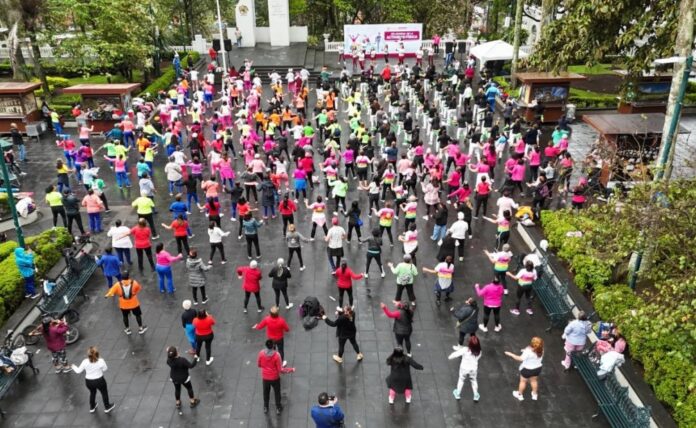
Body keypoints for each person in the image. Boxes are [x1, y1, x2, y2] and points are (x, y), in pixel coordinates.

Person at [71, 347, 116, 413]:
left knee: (92, 392)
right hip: (100, 381)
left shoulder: (85, 362)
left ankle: (92, 407)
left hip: (89, 381)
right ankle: (107, 407)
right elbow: (105, 369)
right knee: (104, 393)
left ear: (88, 355)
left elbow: (78, 371)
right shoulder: (101, 361)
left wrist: (73, 366)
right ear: (97, 354)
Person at [505, 337, 544, 401]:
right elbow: (533, 352)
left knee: (523, 382)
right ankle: (534, 394)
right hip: (537, 369)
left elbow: (520, 359)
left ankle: (519, 395)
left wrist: (511, 354)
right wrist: (526, 350)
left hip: (527, 370)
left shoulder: (528, 351)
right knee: (534, 381)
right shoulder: (541, 350)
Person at [166, 346, 200, 411]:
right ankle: (192, 401)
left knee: (177, 389)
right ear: (176, 353)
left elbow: (169, 358)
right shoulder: (182, 360)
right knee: (189, 388)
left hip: (174, 378)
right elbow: (191, 366)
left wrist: (169, 352)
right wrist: (195, 358)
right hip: (184, 378)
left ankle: (178, 403)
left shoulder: (169, 360)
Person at [449, 336, 482, 402]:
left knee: (461, 379)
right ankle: (476, 395)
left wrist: (450, 357)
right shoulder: (479, 352)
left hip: (464, 368)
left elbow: (456, 354)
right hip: (473, 369)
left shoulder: (465, 350)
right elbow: (477, 358)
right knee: (474, 381)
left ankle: (457, 394)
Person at [257, 339, 284, 414]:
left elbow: (259, 364)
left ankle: (266, 407)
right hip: (275, 378)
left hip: (265, 377)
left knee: (266, 392)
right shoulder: (277, 355)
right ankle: (278, 408)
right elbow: (280, 369)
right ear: (273, 346)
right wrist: (291, 369)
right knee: (277, 392)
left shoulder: (261, 353)